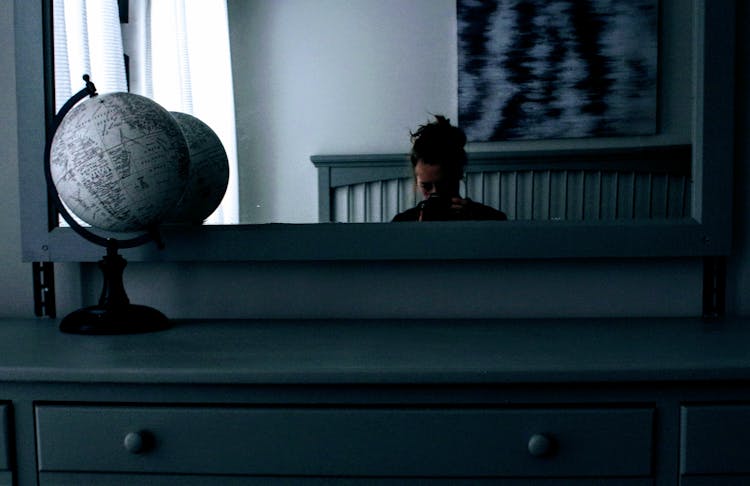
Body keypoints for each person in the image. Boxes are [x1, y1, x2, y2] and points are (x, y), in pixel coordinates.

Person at [392, 115, 507, 222]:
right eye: (426, 186)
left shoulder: (491, 220)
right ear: (416, 180)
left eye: (444, 185)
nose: (435, 192)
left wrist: (473, 225)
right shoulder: (402, 223)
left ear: (459, 173)